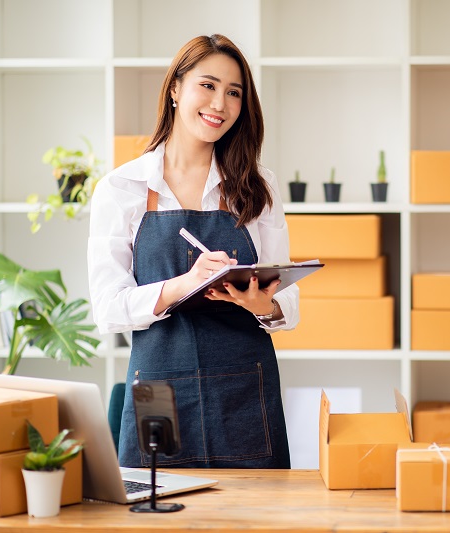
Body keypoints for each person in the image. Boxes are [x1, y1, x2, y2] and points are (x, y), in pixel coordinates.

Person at [87, 34, 297, 469]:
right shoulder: (122, 189)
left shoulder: (259, 187)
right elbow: (107, 309)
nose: (220, 103)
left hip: (244, 392)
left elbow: (289, 304)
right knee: (157, 513)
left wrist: (265, 305)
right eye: (208, 85)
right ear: (175, 89)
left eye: (234, 92)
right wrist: (184, 284)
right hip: (158, 390)